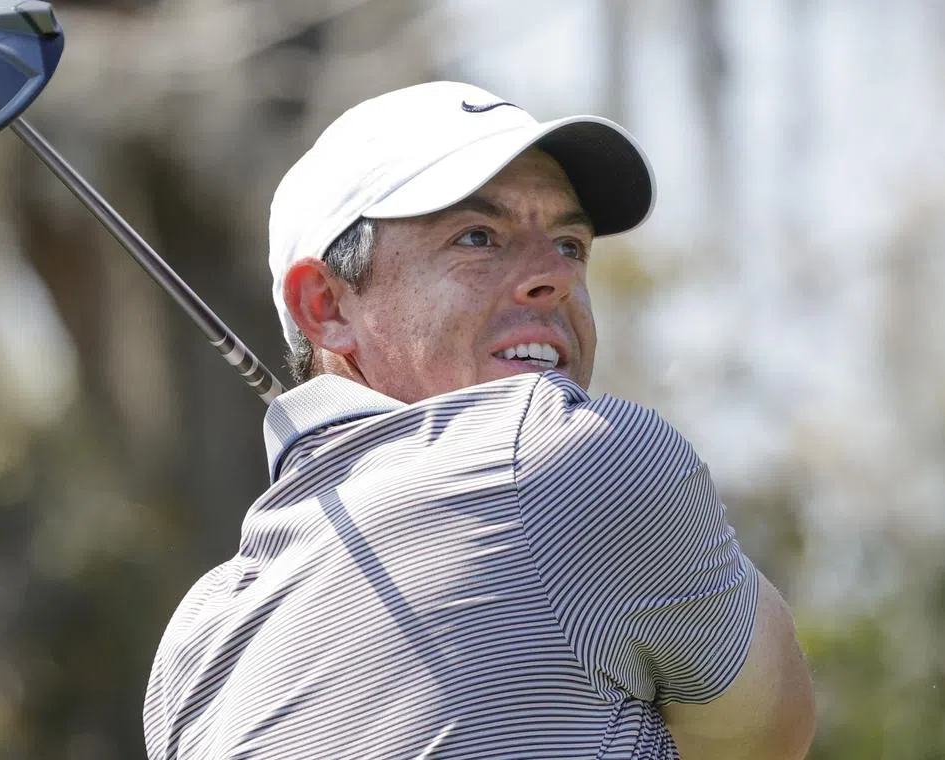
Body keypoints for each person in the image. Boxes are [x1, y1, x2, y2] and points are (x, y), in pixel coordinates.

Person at [142, 81, 815, 760]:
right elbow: (767, 736)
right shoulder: (573, 456)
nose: (553, 276)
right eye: (478, 237)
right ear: (326, 305)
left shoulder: (197, 637)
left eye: (570, 244)